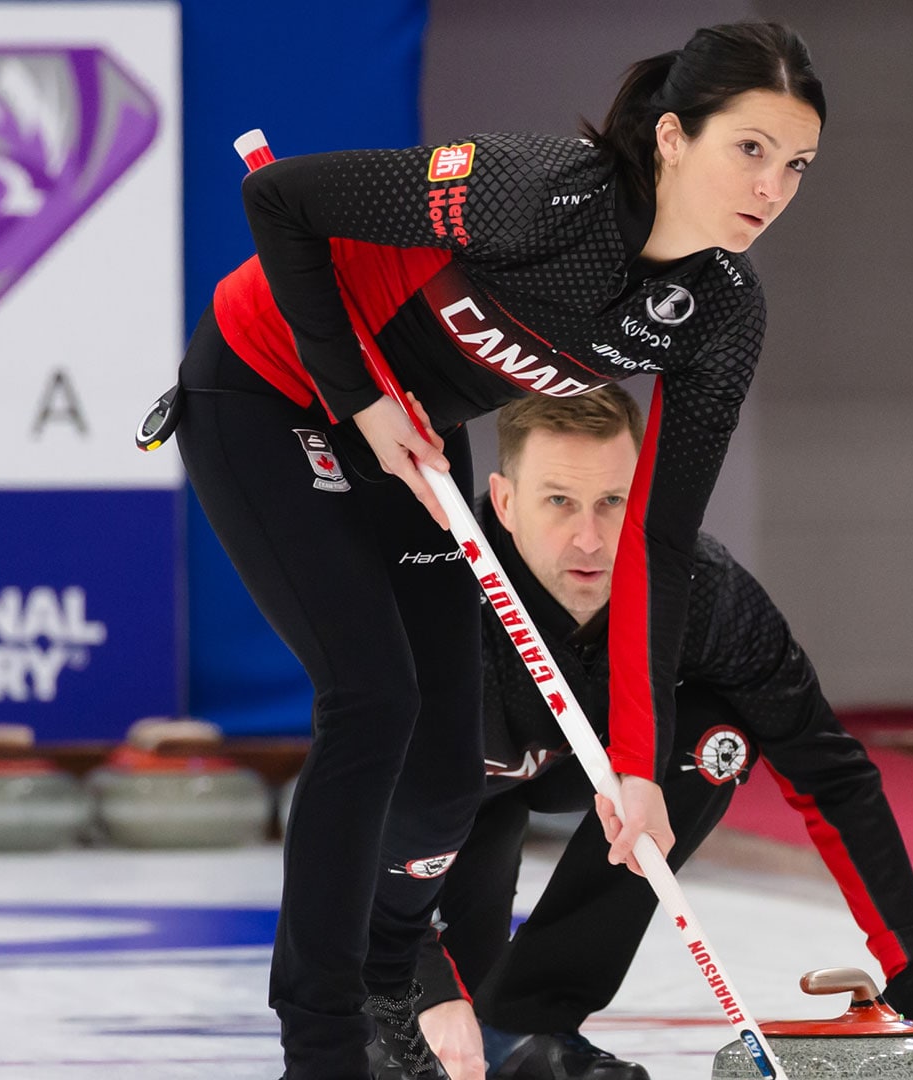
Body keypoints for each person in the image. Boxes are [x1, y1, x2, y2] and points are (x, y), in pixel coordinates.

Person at [167, 23, 827, 1080]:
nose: (774, 185)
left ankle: (393, 990)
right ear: (671, 138)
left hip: (414, 427)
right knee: (373, 698)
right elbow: (282, 200)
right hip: (271, 386)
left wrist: (638, 764)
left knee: (442, 766)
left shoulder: (720, 314)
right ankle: (322, 1047)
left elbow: (658, 541)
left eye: (795, 163)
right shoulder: (542, 191)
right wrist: (360, 397)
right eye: (749, 149)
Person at [410, 388, 913, 1080]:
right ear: (504, 504)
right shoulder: (434, 597)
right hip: (440, 798)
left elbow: (831, 776)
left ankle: (529, 1019)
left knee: (717, 739)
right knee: (415, 1033)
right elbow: (358, 810)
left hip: (598, 776)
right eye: (559, 502)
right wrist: (423, 982)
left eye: (613, 502)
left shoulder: (704, 595)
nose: (590, 540)